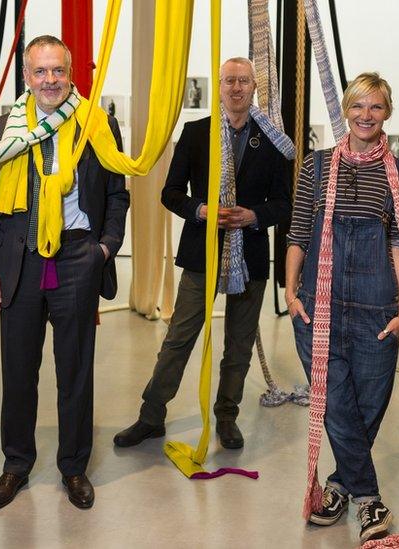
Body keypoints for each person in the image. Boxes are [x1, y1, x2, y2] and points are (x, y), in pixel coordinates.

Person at [0, 35, 129, 511]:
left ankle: (73, 467)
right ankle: (16, 465)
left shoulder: (97, 123)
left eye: (57, 71)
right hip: (20, 259)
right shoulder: (4, 126)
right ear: (27, 76)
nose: (49, 80)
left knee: (76, 371)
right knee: (18, 371)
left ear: (71, 74)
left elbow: (117, 193)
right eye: (39, 72)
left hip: (77, 256)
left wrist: (104, 249)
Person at [113, 58, 291, 450]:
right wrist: (201, 210)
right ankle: (151, 416)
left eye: (244, 81)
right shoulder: (196, 134)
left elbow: (284, 203)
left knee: (239, 343)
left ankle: (227, 417)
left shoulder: (272, 140)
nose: (237, 88)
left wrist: (253, 215)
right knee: (179, 336)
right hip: (201, 251)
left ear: (254, 87)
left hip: (251, 253)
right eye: (230, 81)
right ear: (220, 87)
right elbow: (170, 193)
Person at [285, 73, 399, 542]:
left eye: (376, 107)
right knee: (335, 404)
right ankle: (369, 501)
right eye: (358, 105)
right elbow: (299, 232)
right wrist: (289, 291)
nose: (366, 115)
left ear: (387, 113)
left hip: (376, 308)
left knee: (367, 405)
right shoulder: (316, 167)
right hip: (319, 306)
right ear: (346, 108)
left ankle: (340, 486)